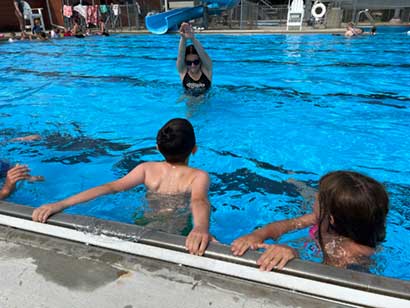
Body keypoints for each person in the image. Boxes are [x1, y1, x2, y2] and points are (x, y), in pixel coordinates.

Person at [32, 118, 212, 256]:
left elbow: (111, 187)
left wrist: (61, 204)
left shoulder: (146, 169)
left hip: (143, 222)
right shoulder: (198, 176)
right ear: (194, 149)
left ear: (158, 148)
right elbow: (199, 201)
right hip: (179, 229)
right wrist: (200, 228)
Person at [231, 171, 389, 271]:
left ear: (331, 218)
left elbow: (325, 279)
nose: (315, 197)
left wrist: (294, 255)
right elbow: (286, 225)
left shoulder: (351, 254)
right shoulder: (319, 218)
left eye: (318, 197)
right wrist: (258, 235)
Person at [177, 22, 212, 95]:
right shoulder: (183, 71)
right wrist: (183, 38)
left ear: (200, 61)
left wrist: (193, 38)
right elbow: (181, 55)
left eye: (196, 62)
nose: (192, 65)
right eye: (189, 63)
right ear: (185, 63)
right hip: (187, 104)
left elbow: (203, 53)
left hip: (205, 105)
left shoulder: (207, 70)